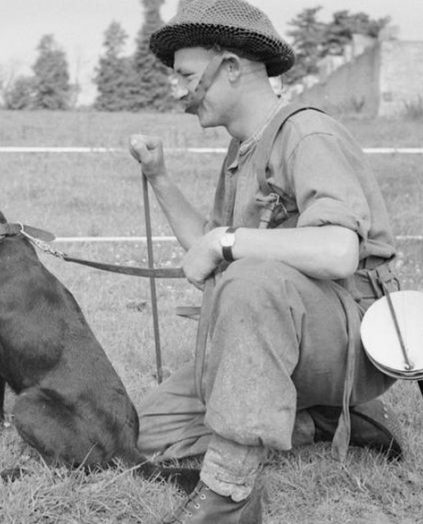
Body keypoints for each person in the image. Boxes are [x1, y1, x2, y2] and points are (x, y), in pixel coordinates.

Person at [128, 0, 405, 522]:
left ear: (230, 67)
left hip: (352, 341)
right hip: (276, 337)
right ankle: (315, 421)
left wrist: (228, 242)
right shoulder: (242, 151)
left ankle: (230, 495)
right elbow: (208, 249)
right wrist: (160, 177)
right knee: (143, 433)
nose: (178, 90)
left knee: (252, 280)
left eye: (186, 75)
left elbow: (338, 250)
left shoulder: (306, 132)